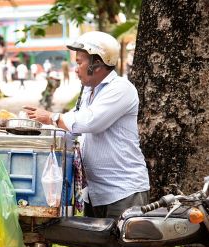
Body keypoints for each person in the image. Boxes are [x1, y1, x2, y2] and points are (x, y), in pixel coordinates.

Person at [24, 31, 149, 219]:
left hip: (123, 191)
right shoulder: (89, 91)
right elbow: (76, 125)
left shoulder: (120, 88)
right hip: (96, 192)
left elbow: (90, 121)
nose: (76, 69)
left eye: (80, 62)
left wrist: (52, 117)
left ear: (97, 64)